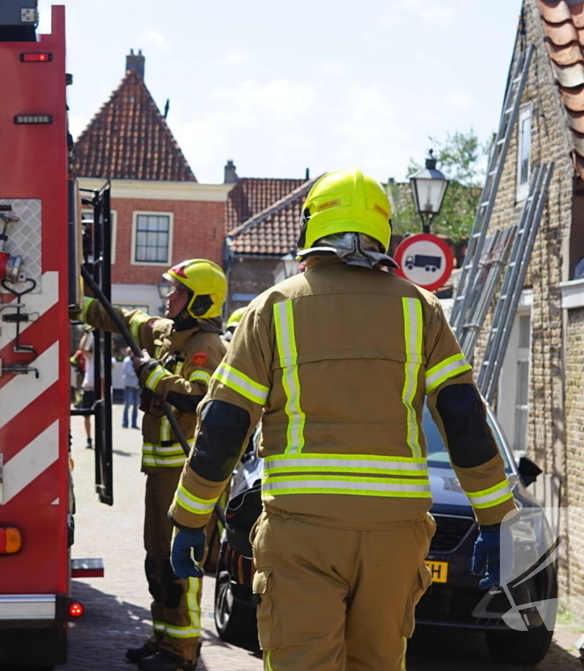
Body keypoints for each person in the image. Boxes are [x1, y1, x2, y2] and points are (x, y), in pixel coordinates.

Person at [168, 168, 516, 671]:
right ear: (383, 233)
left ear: (312, 227)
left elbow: (224, 423)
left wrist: (189, 518)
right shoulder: (423, 311)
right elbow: (463, 417)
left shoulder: (273, 309)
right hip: (395, 538)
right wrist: (495, 518)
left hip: (302, 531)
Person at [75, 259, 228, 671]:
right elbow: (124, 319)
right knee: (156, 559)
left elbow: (196, 398)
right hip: (159, 472)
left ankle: (181, 652)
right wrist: (75, 302)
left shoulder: (208, 348)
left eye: (177, 293)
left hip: (186, 475)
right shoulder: (168, 334)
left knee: (180, 564)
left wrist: (151, 374)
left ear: (198, 302)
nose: (169, 298)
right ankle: (161, 637)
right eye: (170, 291)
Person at [79, 329, 95, 449]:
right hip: (89, 388)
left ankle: (100, 437)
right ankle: (89, 438)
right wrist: (86, 334)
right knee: (86, 415)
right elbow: (82, 348)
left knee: (101, 415)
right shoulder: (91, 356)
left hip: (98, 388)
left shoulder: (105, 357)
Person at [123, 347, 140, 429]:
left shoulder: (137, 360)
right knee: (127, 405)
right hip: (129, 386)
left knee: (136, 406)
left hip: (136, 386)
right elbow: (131, 372)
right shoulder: (127, 361)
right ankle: (125, 422)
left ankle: (134, 423)